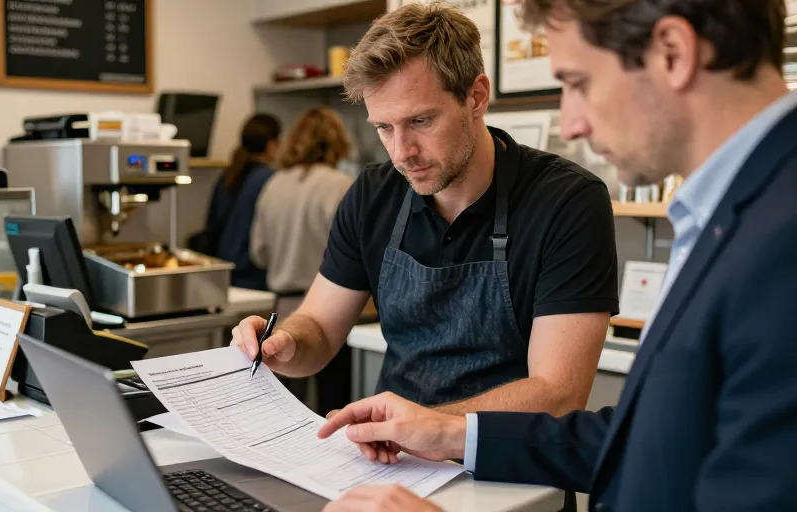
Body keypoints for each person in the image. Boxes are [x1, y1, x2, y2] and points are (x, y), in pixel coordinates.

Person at [317, 0, 797, 510]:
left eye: (577, 82)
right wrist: (444, 432)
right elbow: (654, 436)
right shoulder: (733, 213)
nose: (569, 125)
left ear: (673, 53)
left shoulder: (779, 240)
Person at [231, 2, 618, 415]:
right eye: (383, 127)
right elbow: (321, 332)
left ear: (476, 97)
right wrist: (285, 344)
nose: (402, 153)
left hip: (508, 467)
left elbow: (559, 394)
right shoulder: (372, 194)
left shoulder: (567, 201)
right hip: (392, 459)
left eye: (420, 121)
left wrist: (422, 427)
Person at [248, 106, 356, 413]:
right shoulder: (341, 184)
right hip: (333, 312)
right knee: (330, 410)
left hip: (280, 312)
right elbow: (354, 259)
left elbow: (258, 253)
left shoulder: (273, 184)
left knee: (283, 412)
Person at [201, 113, 281, 290]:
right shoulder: (269, 180)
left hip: (223, 274)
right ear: (271, 144)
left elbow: (212, 225)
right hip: (253, 276)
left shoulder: (228, 176)